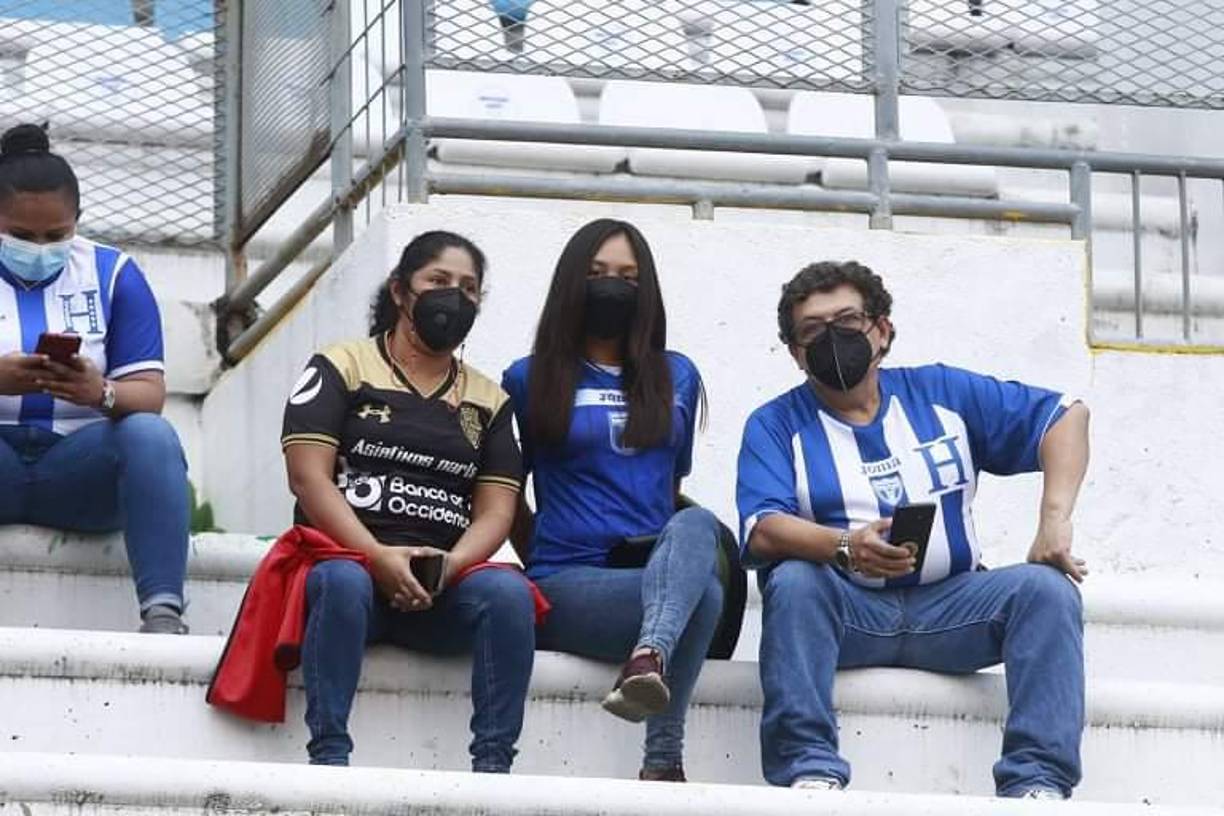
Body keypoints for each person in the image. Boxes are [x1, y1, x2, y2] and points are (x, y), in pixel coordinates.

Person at [736, 260, 1089, 799]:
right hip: (848, 614)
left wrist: (1054, 521)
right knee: (794, 582)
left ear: (882, 329)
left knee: (1046, 591)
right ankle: (810, 772)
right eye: (812, 330)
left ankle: (1036, 785)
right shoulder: (776, 424)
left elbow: (1065, 417)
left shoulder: (940, 392)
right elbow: (762, 527)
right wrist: (844, 546)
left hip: (956, 611)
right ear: (795, 353)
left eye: (847, 321)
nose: (832, 338)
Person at [282, 230, 536, 771]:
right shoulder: (340, 366)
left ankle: (494, 769)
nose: (455, 297)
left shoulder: (491, 400)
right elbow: (308, 478)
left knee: (509, 595)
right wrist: (376, 556)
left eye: (469, 288)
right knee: (342, 581)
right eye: (438, 280)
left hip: (441, 587)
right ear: (400, 291)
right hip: (350, 571)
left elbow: (497, 510)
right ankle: (329, 757)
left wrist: (453, 565)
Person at [502, 218, 724, 783]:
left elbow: (668, 486)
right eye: (597, 272)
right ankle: (663, 759)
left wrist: (661, 581)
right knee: (705, 597)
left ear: (646, 291)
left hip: (649, 578)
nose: (612, 286)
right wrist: (541, 554)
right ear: (571, 283)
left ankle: (649, 656)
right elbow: (505, 494)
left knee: (698, 524)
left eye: (628, 277)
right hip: (567, 581)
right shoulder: (527, 378)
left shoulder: (678, 375)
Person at [0, 123, 189, 635]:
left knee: (150, 435)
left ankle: (163, 614)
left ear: (77, 222)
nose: (40, 247)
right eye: (21, 236)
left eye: (56, 235)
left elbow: (149, 395)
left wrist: (99, 392)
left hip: (77, 471)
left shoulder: (114, 273)